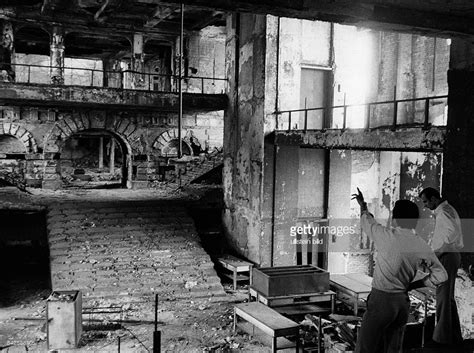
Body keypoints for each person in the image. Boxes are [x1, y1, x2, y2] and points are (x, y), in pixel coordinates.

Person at [352, 188, 448, 353]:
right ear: (415, 221)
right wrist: (416, 284)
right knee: (393, 348)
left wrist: (363, 205)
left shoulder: (384, 235)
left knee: (365, 348)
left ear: (394, 219)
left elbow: (367, 221)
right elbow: (442, 275)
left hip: (381, 301)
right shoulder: (421, 245)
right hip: (402, 304)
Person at [419, 187, 464, 345]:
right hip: (449, 256)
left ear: (434, 199)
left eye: (425, 201)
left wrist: (433, 257)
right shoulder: (446, 210)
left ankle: (442, 339)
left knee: (443, 298)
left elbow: (448, 241)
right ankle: (453, 336)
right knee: (447, 299)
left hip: (447, 257)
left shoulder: (444, 212)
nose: (425, 205)